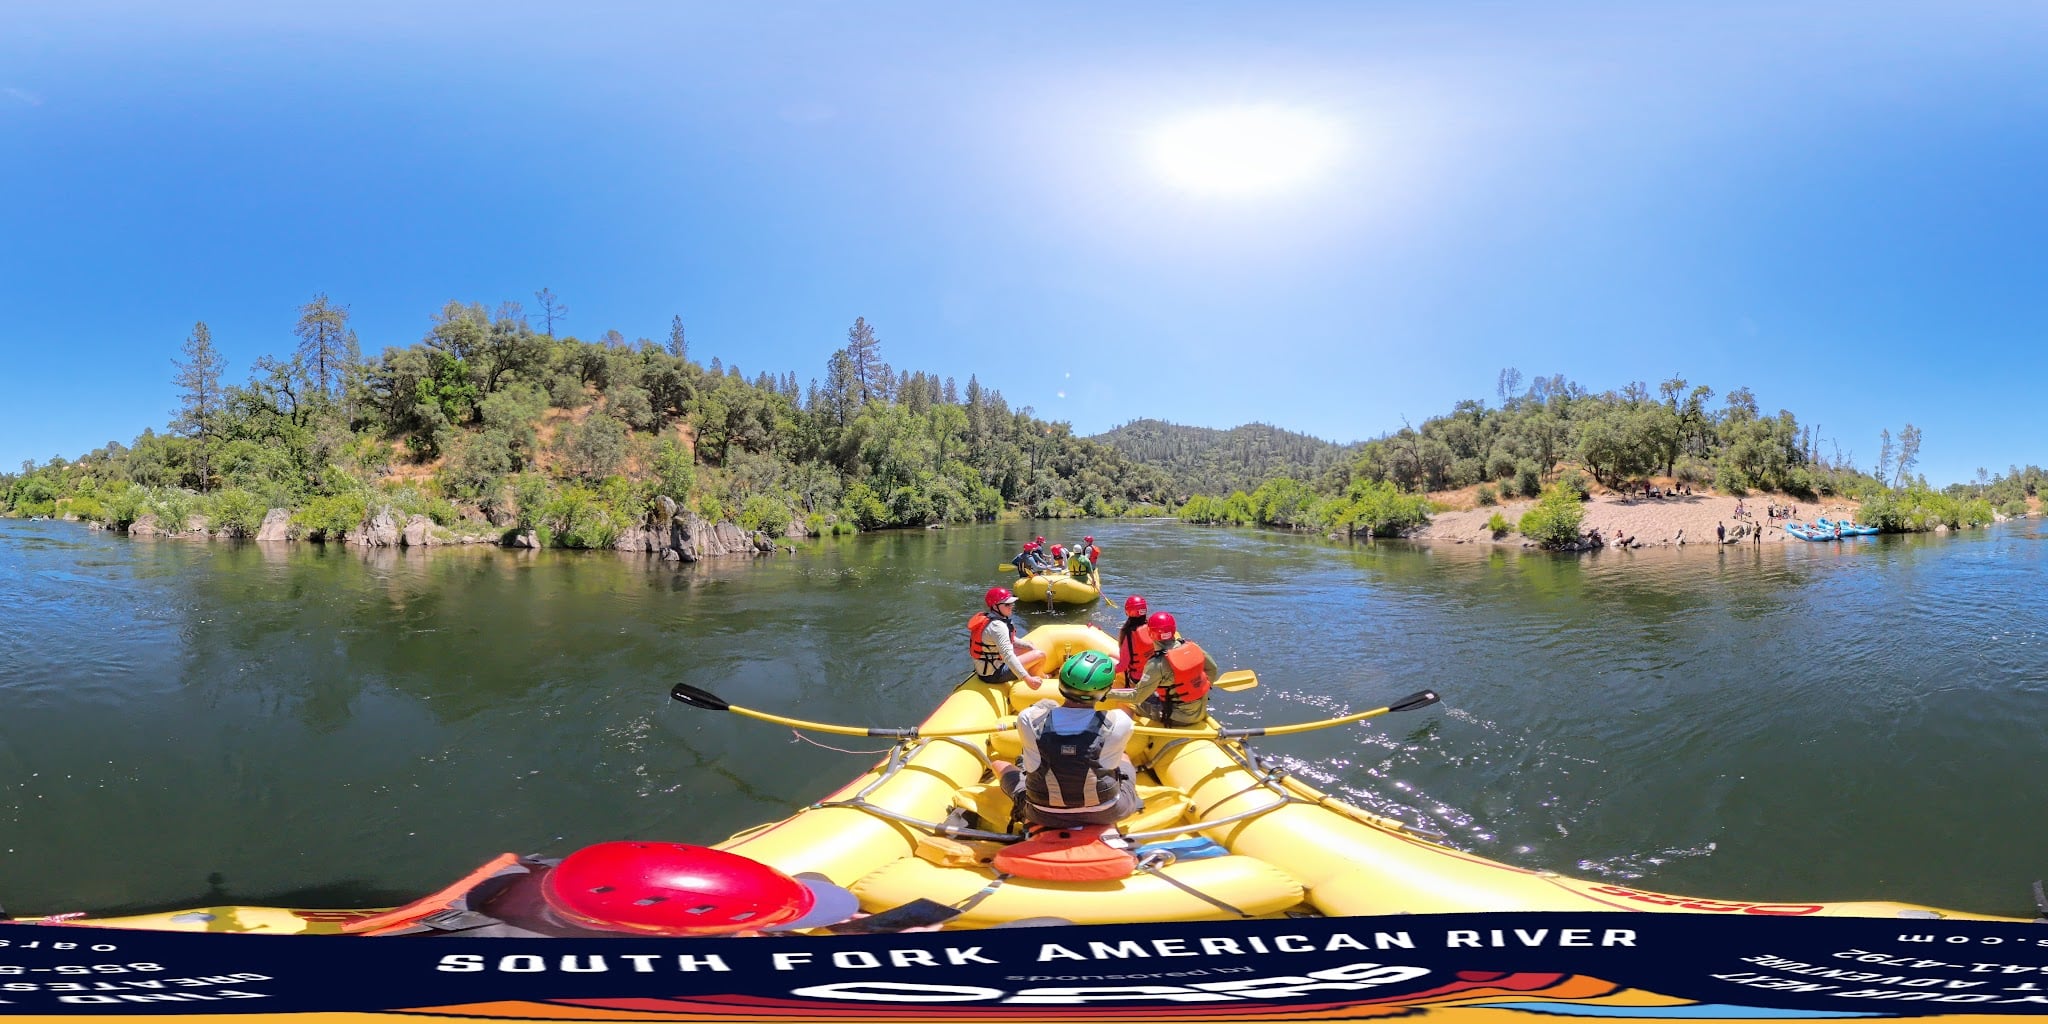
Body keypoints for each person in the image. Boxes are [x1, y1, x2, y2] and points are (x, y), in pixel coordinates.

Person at [995, 651, 1141, 831]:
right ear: (1104, 692)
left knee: (999, 764)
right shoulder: (1120, 722)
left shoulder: (1027, 719)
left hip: (1043, 813)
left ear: (1060, 685)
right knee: (1124, 758)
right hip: (1107, 811)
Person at [1126, 611, 1220, 729]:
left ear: (1150, 633)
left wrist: (1107, 694)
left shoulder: (1156, 663)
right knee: (1159, 692)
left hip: (1177, 718)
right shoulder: (1192, 647)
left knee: (1132, 702)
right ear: (1173, 630)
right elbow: (1213, 668)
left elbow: (1136, 696)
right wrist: (1200, 687)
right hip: (1200, 710)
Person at [969, 587, 1044, 687]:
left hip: (988, 668)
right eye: (1007, 604)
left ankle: (1033, 673)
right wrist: (1027, 679)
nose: (1011, 606)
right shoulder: (997, 626)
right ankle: (1040, 678)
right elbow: (1008, 655)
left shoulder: (991, 620)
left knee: (1028, 647)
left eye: (1011, 603)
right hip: (994, 674)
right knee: (1040, 655)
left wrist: (1027, 645)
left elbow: (1010, 639)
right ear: (995, 607)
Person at [1112, 595, 1157, 687]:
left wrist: (1108, 671)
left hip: (1138, 679)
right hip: (1155, 675)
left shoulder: (1129, 635)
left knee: (1110, 658)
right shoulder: (1153, 628)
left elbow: (1123, 666)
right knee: (1113, 654)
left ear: (1127, 612)